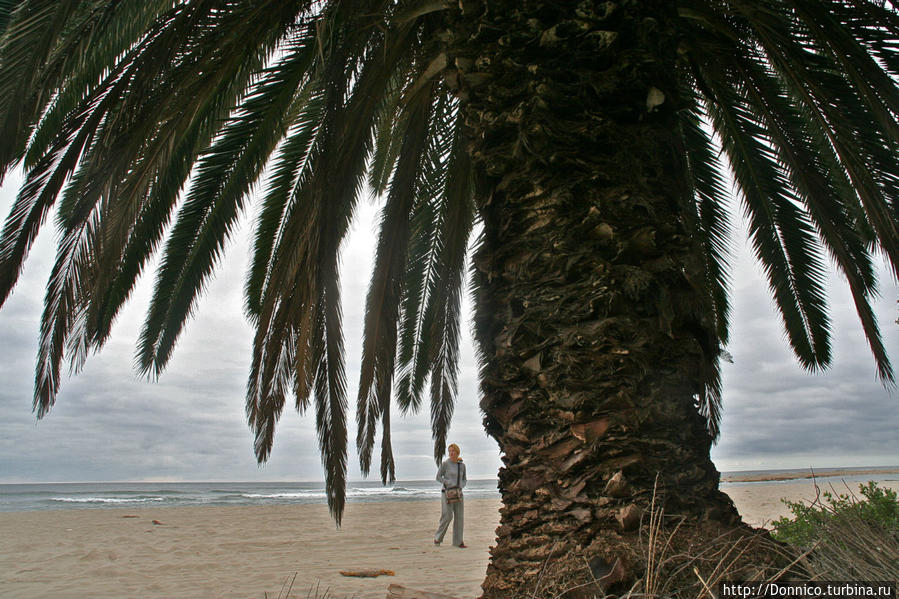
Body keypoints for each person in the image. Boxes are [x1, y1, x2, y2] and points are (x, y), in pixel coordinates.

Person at [434, 443, 467, 548]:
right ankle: (438, 538)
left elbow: (464, 479)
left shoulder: (462, 465)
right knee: (447, 516)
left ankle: (458, 542)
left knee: (459, 517)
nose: (451, 453)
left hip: (458, 493)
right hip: (447, 493)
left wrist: (461, 485)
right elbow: (438, 477)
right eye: (450, 451)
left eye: (453, 451)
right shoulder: (445, 464)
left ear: (457, 452)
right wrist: (447, 482)